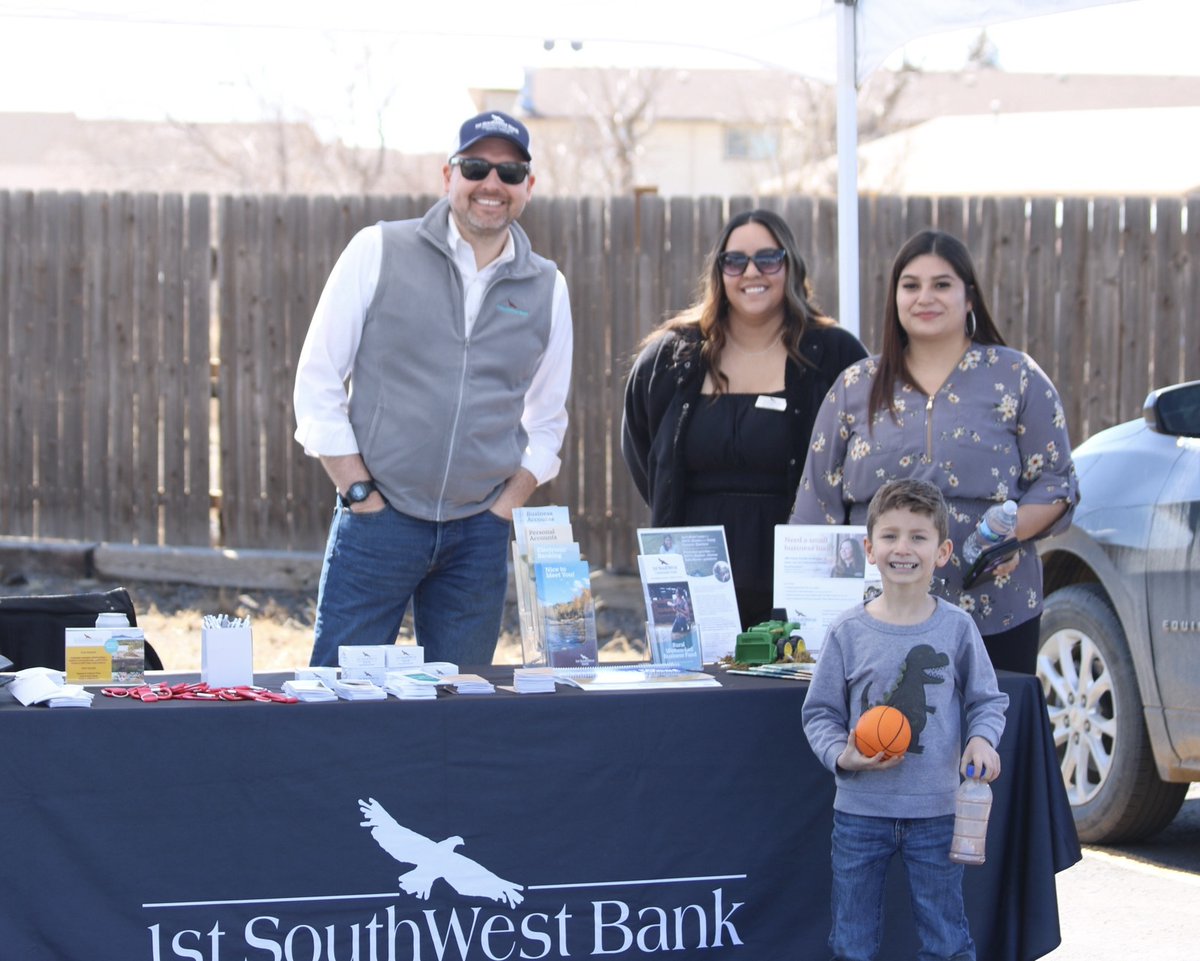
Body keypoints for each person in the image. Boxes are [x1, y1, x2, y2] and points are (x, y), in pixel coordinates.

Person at [293, 110, 573, 668]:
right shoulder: (378, 250)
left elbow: (548, 422)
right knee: (341, 695)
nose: (492, 184)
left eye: (509, 173)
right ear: (448, 176)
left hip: (478, 535)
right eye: (475, 167)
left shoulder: (547, 286)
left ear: (528, 188)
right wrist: (358, 495)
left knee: (458, 710)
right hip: (379, 523)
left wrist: (504, 508)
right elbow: (318, 380)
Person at [790, 228, 1078, 673]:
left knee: (985, 740)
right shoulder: (855, 386)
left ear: (969, 298)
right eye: (911, 285)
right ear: (895, 298)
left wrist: (1004, 536)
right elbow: (815, 508)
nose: (925, 297)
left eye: (942, 284)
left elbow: (1056, 484)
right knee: (882, 742)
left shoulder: (1016, 377)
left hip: (995, 612)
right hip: (878, 620)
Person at [622, 209, 866, 628]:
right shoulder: (670, 358)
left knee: (794, 692)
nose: (751, 271)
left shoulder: (835, 355)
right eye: (735, 261)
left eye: (768, 258)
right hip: (692, 581)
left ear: (790, 266)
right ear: (719, 272)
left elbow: (863, 457)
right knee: (694, 692)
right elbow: (644, 454)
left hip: (803, 579)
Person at [802, 478, 1008, 961]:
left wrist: (982, 741)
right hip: (859, 813)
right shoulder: (847, 631)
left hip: (938, 812)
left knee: (947, 940)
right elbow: (820, 713)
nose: (903, 548)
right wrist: (842, 754)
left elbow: (987, 700)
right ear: (869, 549)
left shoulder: (957, 628)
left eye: (919, 537)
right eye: (891, 536)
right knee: (851, 942)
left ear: (942, 552)